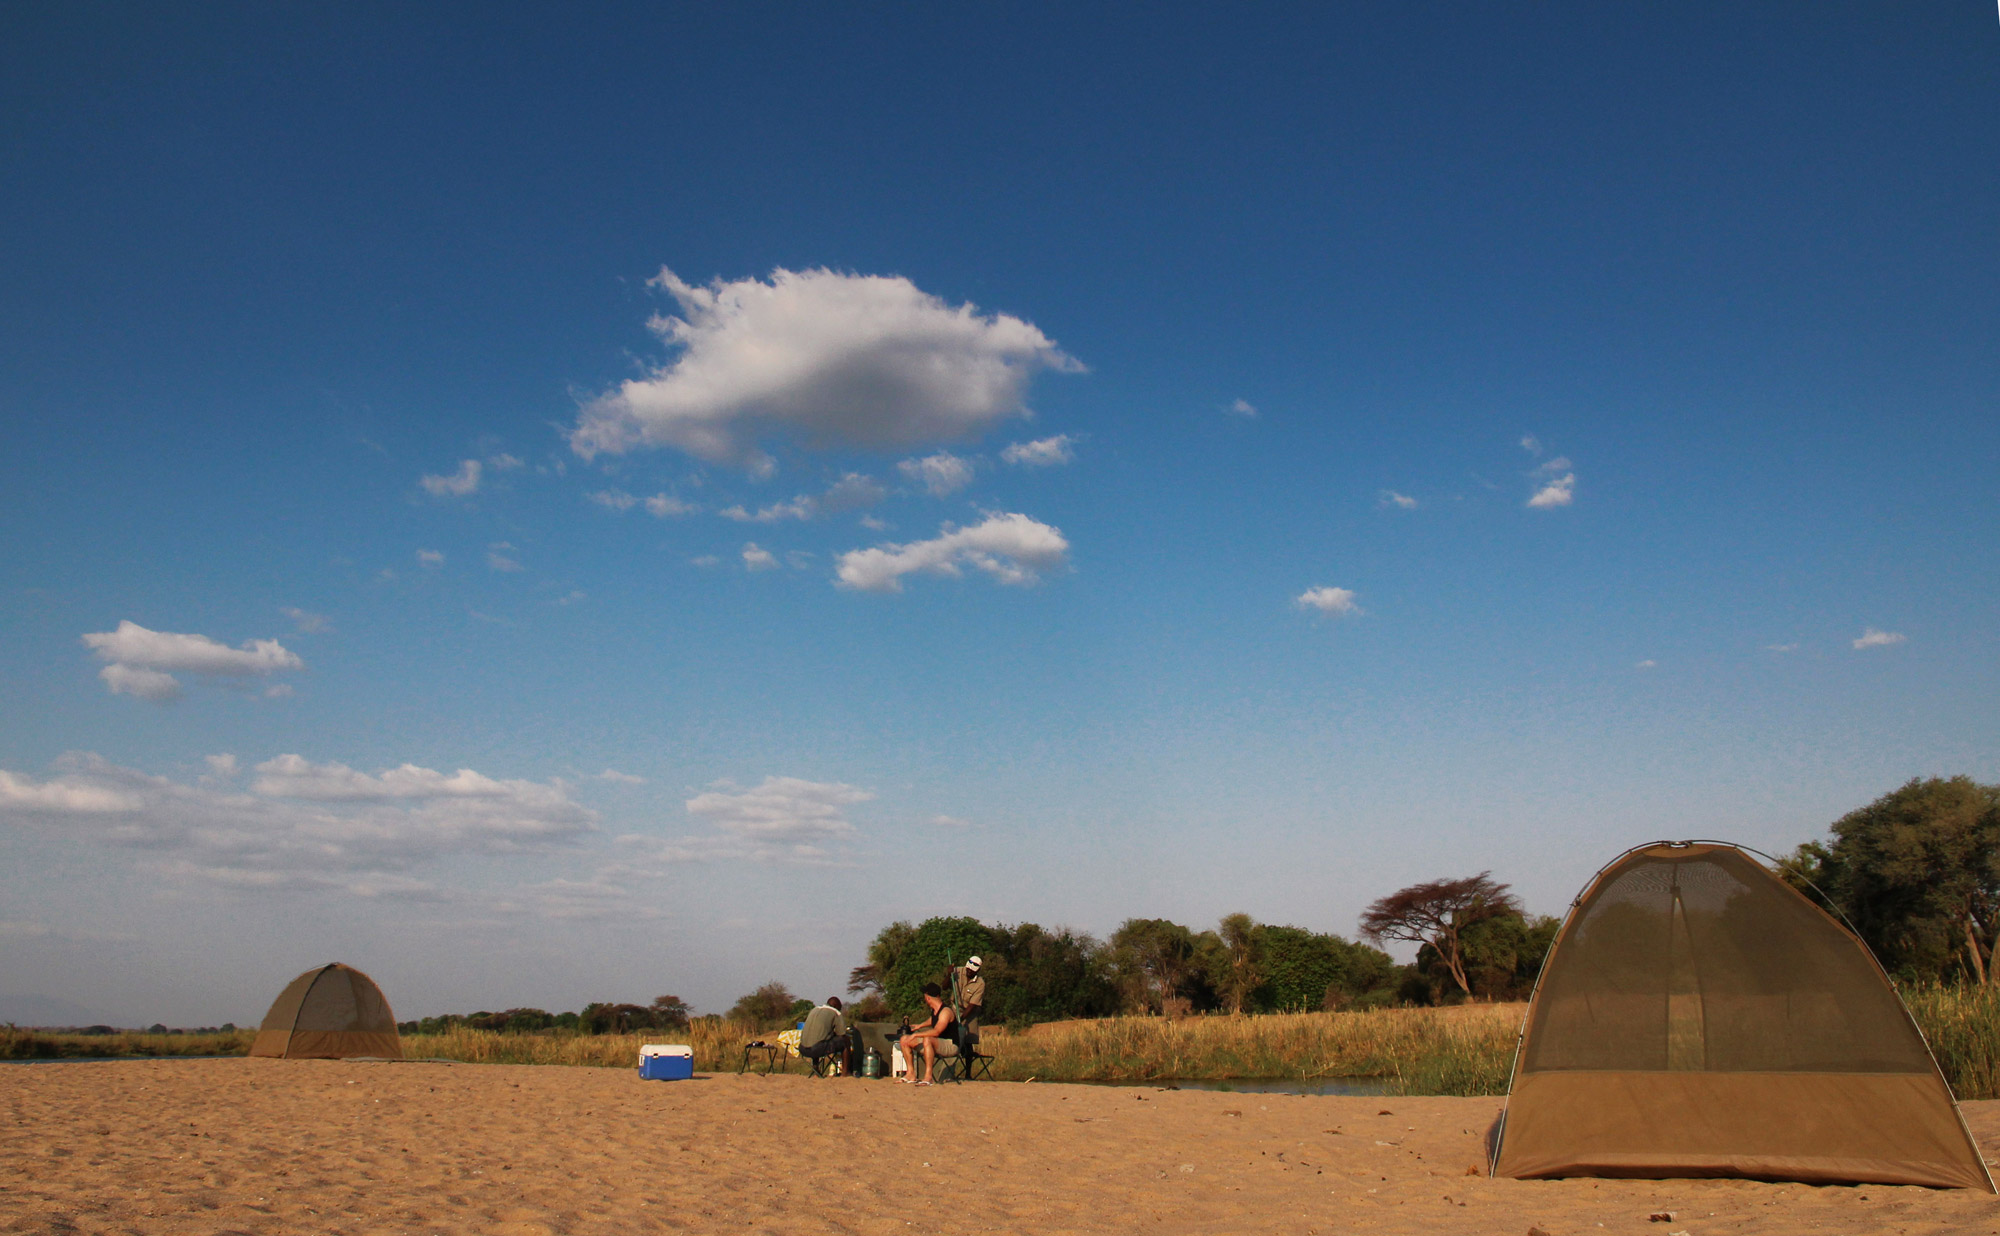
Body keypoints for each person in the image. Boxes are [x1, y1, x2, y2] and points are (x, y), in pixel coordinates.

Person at [898, 982, 957, 1085]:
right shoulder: (935, 1010)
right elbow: (932, 1020)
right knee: (904, 1040)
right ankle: (910, 1074)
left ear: (928, 997)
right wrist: (919, 1026)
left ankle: (928, 1077)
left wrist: (916, 1034)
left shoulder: (946, 1011)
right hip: (936, 1043)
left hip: (950, 1044)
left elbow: (936, 1031)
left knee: (927, 1039)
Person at [798, 996, 850, 1074]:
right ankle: (845, 1072)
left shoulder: (814, 1009)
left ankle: (816, 1068)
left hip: (802, 1049)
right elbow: (842, 1034)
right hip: (816, 1049)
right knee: (845, 1041)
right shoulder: (835, 1012)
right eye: (840, 1007)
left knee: (817, 1039)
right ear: (836, 1006)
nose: (840, 1010)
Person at [952, 956, 987, 1034]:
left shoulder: (980, 984)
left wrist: (959, 1021)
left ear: (978, 970)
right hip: (954, 1008)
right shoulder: (957, 971)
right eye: (968, 969)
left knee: (968, 1039)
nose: (969, 971)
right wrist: (949, 974)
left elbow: (971, 1006)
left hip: (970, 1013)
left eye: (972, 970)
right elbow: (944, 986)